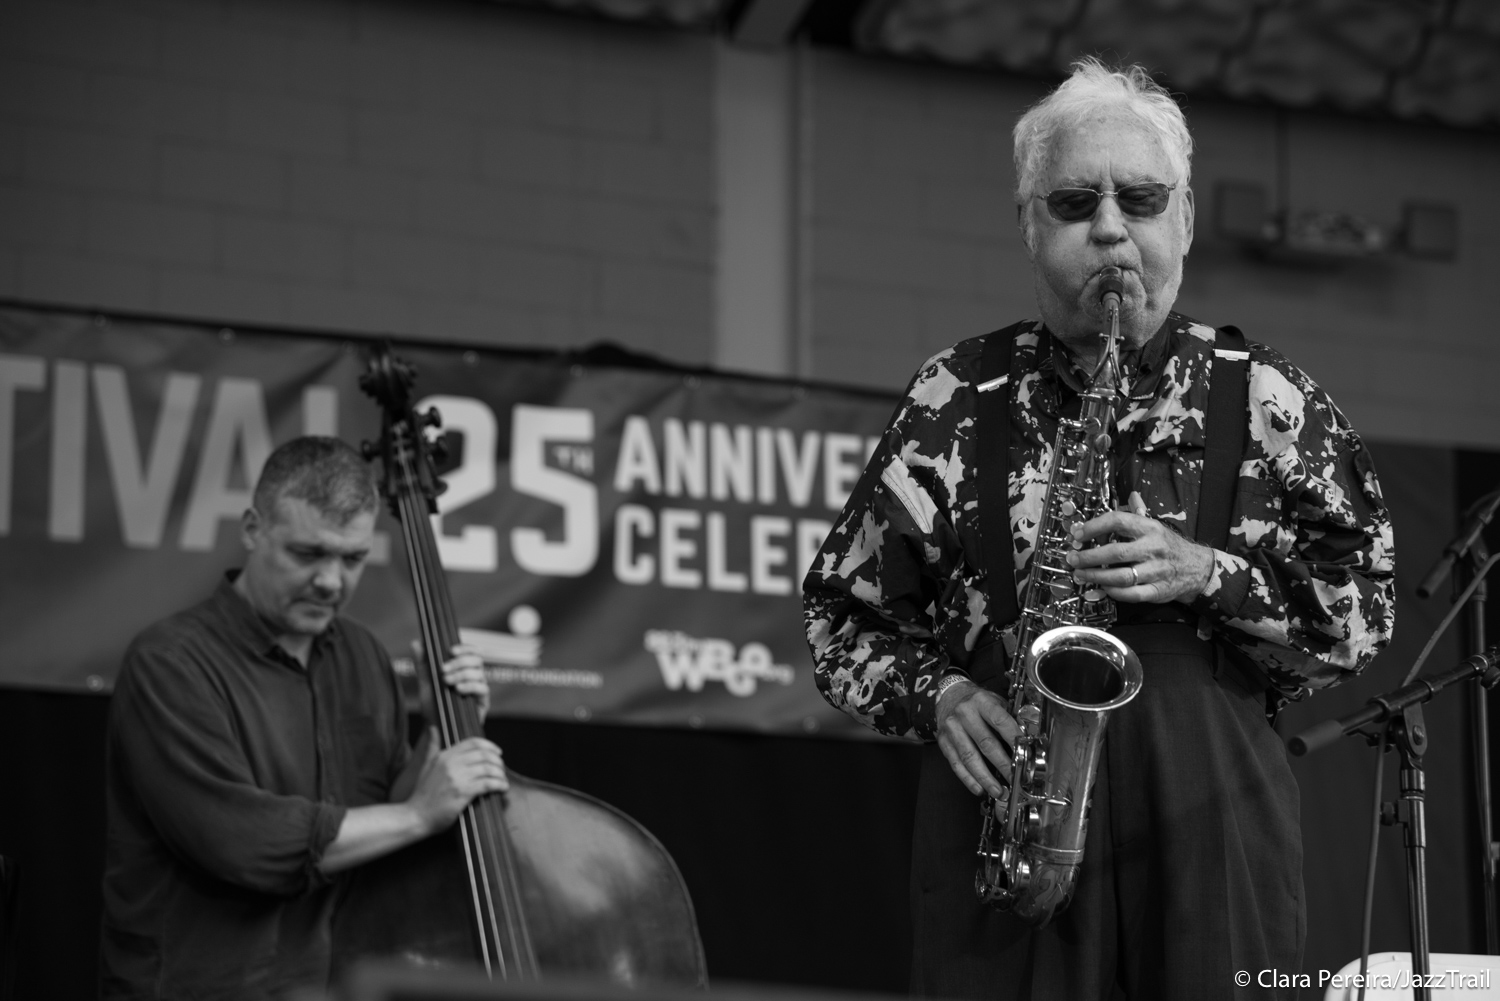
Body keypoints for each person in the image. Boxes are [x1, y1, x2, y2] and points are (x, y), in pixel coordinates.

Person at [803, 59, 1395, 1000]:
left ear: (1186, 220)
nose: (1111, 229)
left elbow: (1364, 613)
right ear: (1031, 227)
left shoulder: (1272, 397)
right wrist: (944, 696)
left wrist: (1211, 572)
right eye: (1076, 203)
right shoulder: (954, 396)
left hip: (1213, 825)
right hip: (1008, 815)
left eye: (1142, 200)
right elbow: (843, 618)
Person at [100, 436, 508, 1000]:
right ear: (251, 530)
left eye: (353, 558)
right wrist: (419, 816)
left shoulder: (364, 655)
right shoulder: (170, 662)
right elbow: (243, 844)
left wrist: (443, 734)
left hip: (328, 986)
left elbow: (381, 815)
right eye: (308, 554)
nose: (332, 582)